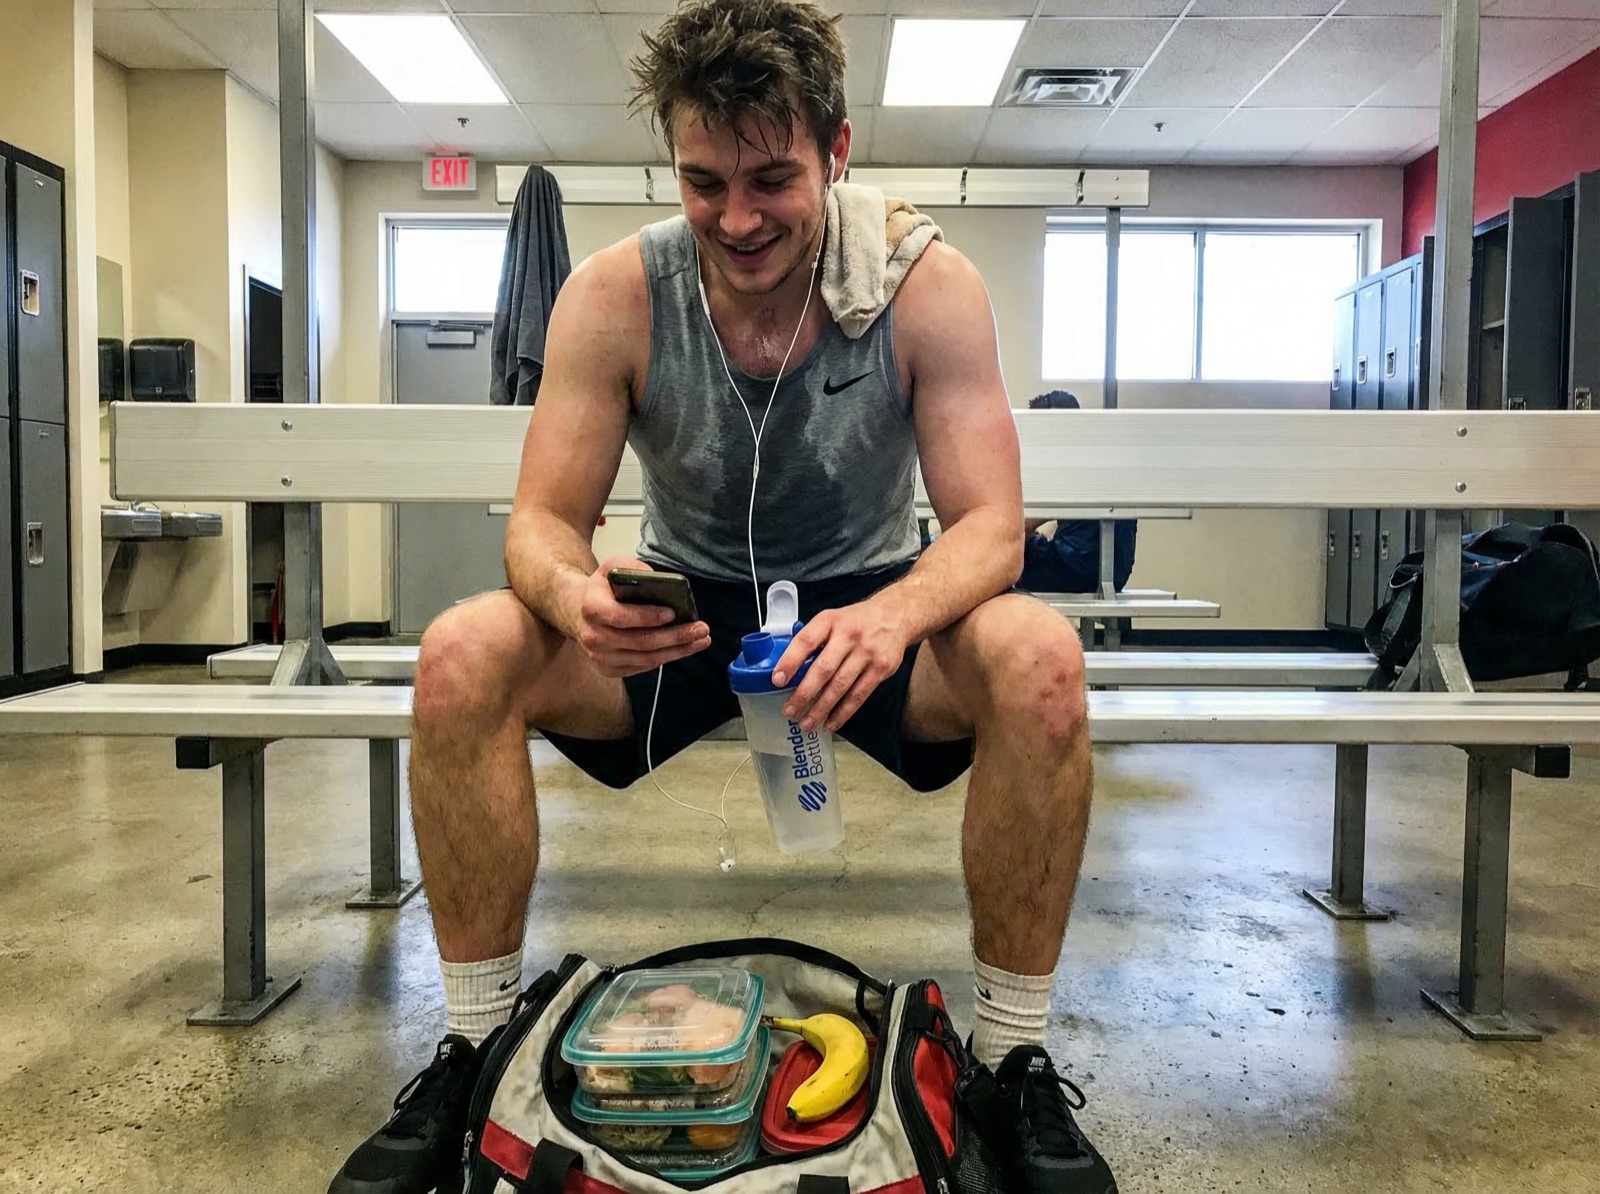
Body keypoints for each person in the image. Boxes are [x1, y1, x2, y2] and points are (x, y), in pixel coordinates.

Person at [328, 2, 1115, 1192]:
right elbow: (542, 522)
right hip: (677, 618)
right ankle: (476, 1045)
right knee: (461, 650)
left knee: (1040, 656)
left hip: (865, 615)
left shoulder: (925, 286)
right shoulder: (614, 295)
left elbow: (992, 526)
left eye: (772, 180)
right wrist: (572, 591)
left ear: (836, 152)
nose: (737, 218)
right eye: (704, 181)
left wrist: (899, 612)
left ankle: (1008, 1063)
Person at [1018, 390, 1138, 595]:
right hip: (1114, 575)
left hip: (1074, 570)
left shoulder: (1067, 461)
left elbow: (1024, 525)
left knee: (994, 558)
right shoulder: (1098, 455)